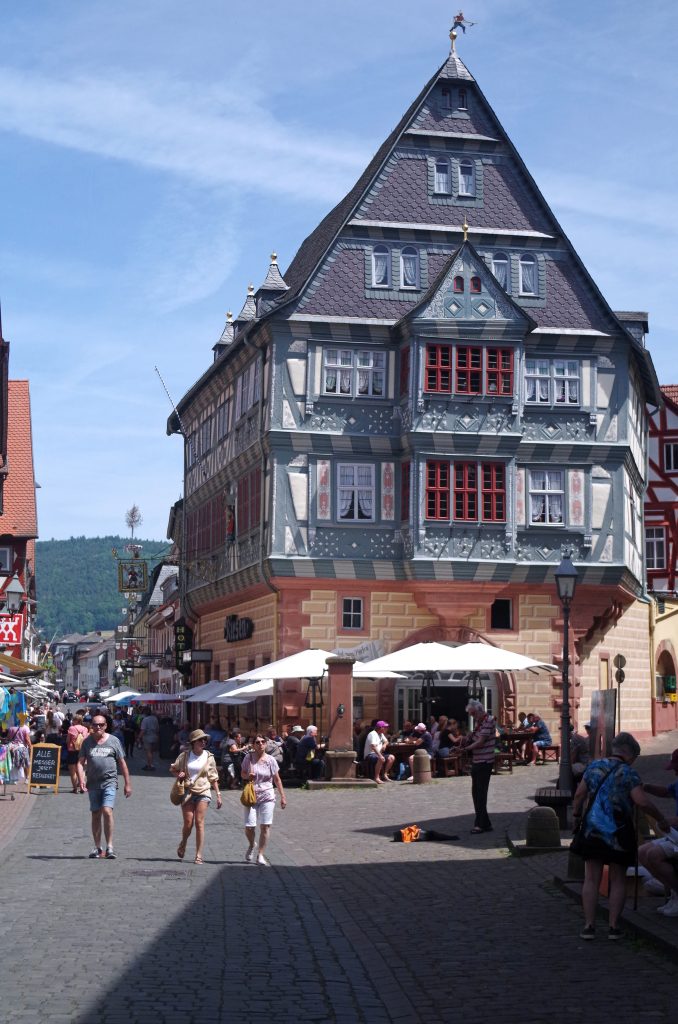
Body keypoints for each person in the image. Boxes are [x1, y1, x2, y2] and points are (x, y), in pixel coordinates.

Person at [572, 732, 669, 940]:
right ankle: (613, 927)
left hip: (593, 830)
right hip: (619, 831)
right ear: (631, 754)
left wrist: (576, 814)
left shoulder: (594, 767)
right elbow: (641, 802)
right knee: (618, 880)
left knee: (591, 879)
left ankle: (589, 926)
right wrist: (660, 818)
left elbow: (579, 794)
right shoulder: (629, 773)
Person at [78, 713, 132, 859]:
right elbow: (80, 762)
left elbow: (122, 764)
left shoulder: (114, 741)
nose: (98, 727)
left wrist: (127, 784)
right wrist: (81, 778)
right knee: (95, 814)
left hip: (109, 782)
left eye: (101, 725)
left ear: (106, 726)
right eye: (95, 724)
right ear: (91, 726)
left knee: (107, 811)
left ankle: (110, 847)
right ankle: (97, 847)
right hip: (93, 783)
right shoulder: (87, 742)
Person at [170, 728, 221, 865]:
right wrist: (179, 775)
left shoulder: (209, 757)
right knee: (188, 823)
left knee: (199, 822)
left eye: (205, 740)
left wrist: (218, 794)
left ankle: (199, 854)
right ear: (193, 742)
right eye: (200, 740)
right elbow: (173, 768)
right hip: (187, 792)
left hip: (204, 791)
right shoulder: (185, 756)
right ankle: (183, 843)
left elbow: (213, 777)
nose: (203, 742)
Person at [638, 747, 678, 915]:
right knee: (642, 852)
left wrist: (669, 821)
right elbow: (666, 791)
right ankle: (673, 894)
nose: (674, 771)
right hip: (675, 835)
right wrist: (645, 787)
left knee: (654, 855)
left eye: (676, 767)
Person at [241, 733, 286, 866]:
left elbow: (277, 779)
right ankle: (251, 844)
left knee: (265, 826)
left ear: (266, 744)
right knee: (249, 827)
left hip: (267, 795)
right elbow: (242, 773)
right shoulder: (248, 758)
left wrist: (282, 796)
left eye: (262, 742)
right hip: (252, 795)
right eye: (257, 742)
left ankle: (260, 854)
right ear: (253, 745)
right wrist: (247, 775)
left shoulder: (271, 760)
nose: (260, 744)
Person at [462, 699, 497, 833]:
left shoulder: (488, 721)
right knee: (476, 793)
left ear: (479, 711)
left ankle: (480, 824)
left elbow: (481, 742)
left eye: (473, 714)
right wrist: (468, 737)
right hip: (478, 761)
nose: (472, 716)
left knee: (480, 793)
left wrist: (466, 750)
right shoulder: (480, 722)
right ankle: (485, 823)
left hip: (485, 761)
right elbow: (476, 738)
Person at [66, 712, 89, 793]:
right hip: (82, 751)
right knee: (82, 770)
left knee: (73, 771)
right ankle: (82, 786)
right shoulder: (85, 729)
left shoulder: (71, 728)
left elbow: (68, 740)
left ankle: (75, 788)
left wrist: (69, 745)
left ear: (76, 720)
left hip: (72, 751)